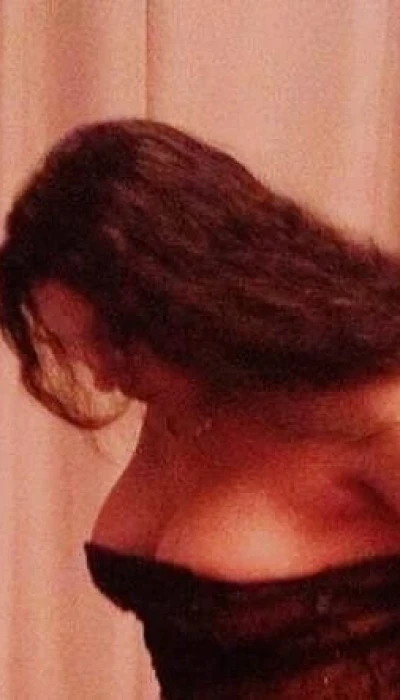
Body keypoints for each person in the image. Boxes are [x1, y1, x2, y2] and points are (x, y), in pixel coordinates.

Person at [1, 119, 400, 698]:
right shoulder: (178, 400)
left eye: (118, 340)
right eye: (79, 347)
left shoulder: (370, 409)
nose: (105, 375)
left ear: (196, 288)